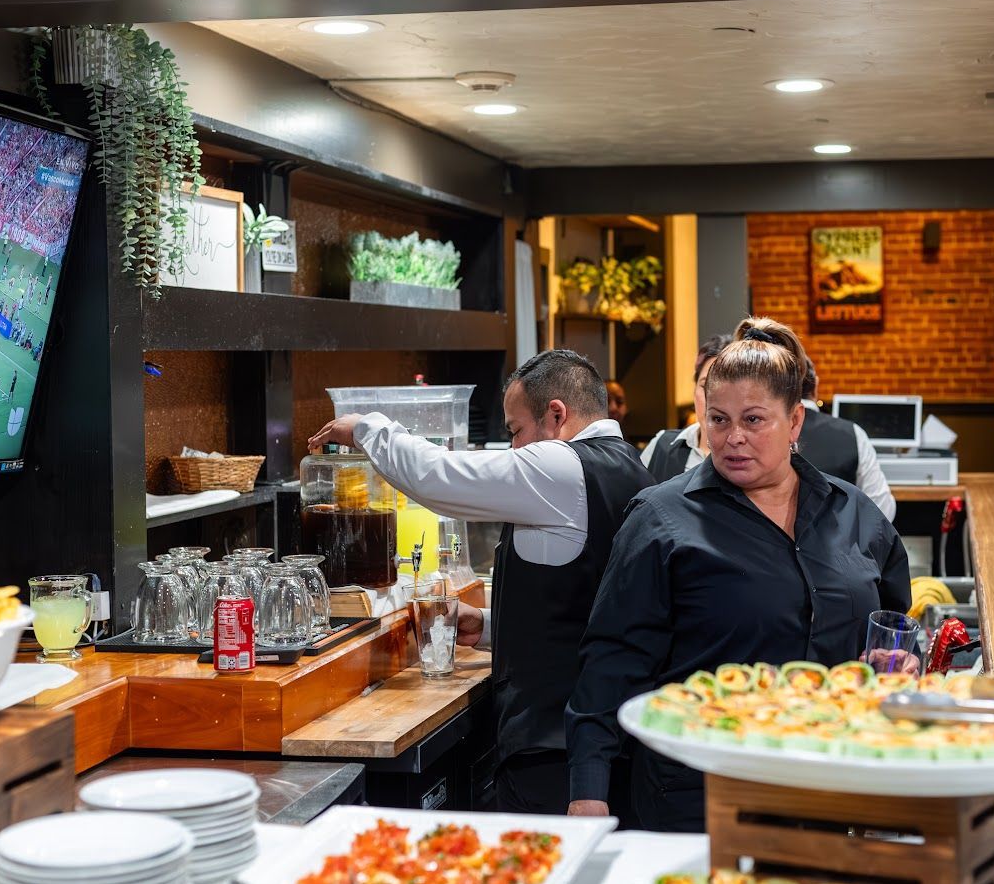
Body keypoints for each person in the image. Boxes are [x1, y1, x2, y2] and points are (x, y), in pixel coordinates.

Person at [566, 317, 912, 832]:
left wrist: (892, 657)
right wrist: (588, 793)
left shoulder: (854, 513)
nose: (732, 439)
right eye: (719, 419)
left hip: (834, 788)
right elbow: (612, 658)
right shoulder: (660, 519)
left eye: (754, 420)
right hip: (703, 796)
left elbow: (891, 621)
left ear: (795, 422)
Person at [308, 350, 653, 816]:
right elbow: (583, 605)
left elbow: (442, 477)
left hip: (557, 751)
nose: (514, 449)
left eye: (515, 432)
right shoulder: (629, 464)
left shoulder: (561, 466)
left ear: (557, 415)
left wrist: (368, 427)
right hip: (605, 740)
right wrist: (491, 626)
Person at [799, 357, 896, 521]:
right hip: (840, 544)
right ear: (815, 385)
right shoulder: (854, 433)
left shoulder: (762, 433)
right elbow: (882, 510)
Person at [641, 335, 731, 482]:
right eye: (705, 386)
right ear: (694, 390)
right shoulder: (662, 444)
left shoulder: (748, 458)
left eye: (725, 389)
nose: (713, 400)